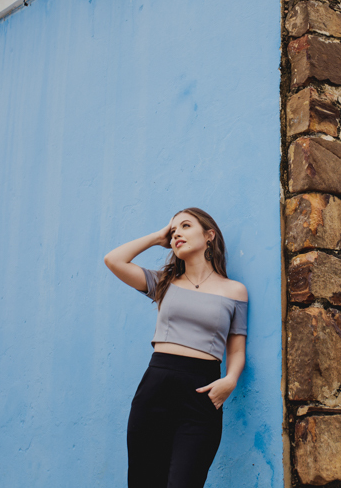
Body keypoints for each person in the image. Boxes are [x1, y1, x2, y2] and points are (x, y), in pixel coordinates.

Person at [104, 208, 248, 488]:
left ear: (209, 235)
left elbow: (236, 349)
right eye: (173, 231)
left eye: (185, 226)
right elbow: (113, 260)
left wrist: (230, 380)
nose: (177, 234)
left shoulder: (234, 291)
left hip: (201, 394)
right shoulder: (164, 282)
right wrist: (157, 237)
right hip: (155, 389)